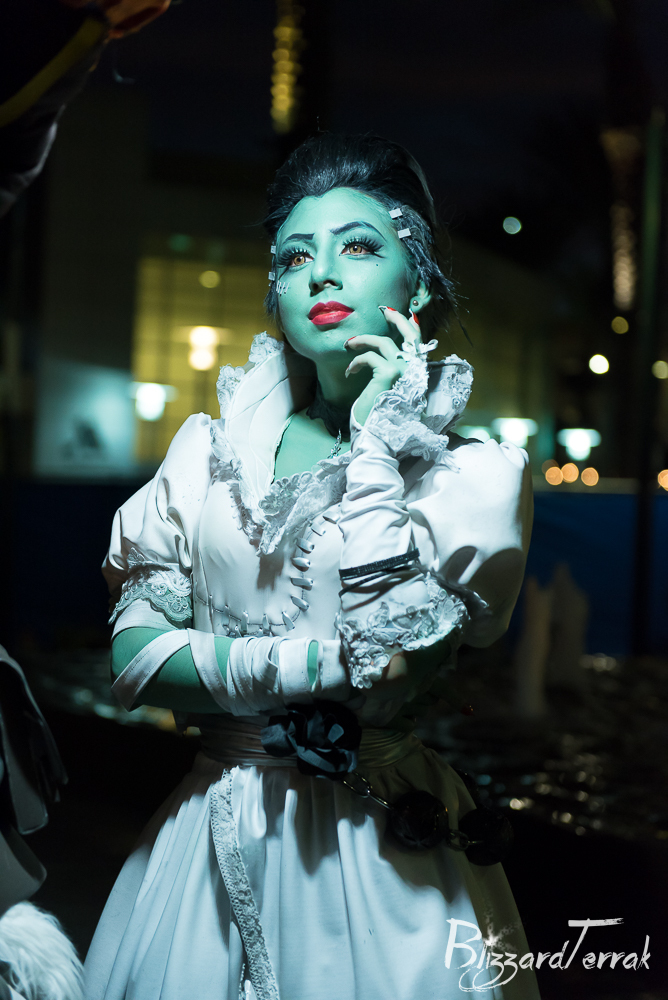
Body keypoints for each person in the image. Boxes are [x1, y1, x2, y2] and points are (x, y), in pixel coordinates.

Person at [83, 131, 538, 1000]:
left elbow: (393, 661)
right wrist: (323, 670)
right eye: (295, 257)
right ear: (277, 292)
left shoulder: (469, 477)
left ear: (418, 283)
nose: (321, 274)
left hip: (377, 852)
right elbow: (134, 660)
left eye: (358, 247)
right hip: (207, 832)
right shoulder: (206, 452)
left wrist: (375, 451)